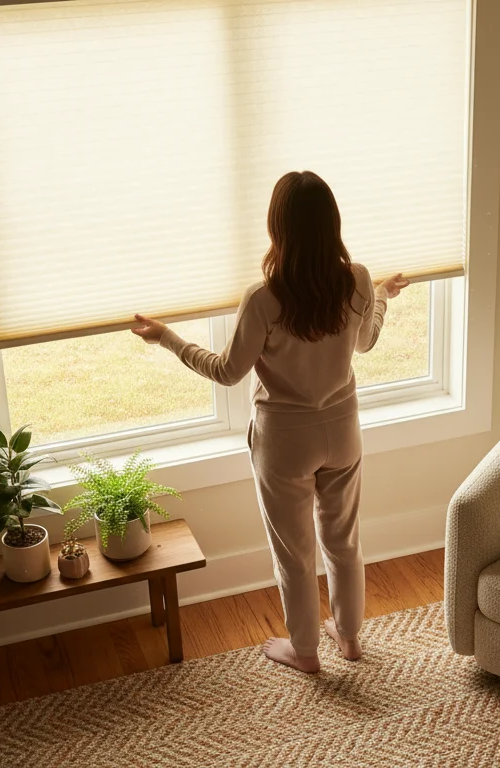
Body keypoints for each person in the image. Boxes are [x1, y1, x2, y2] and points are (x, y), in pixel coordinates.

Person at [132, 171, 409, 672]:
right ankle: (349, 639)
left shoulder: (264, 299)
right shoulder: (357, 280)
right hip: (342, 431)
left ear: (277, 228)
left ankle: (304, 652)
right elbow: (364, 341)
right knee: (344, 540)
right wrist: (382, 297)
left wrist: (169, 337)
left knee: (295, 553)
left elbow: (226, 370)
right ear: (332, 224)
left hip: (285, 442)